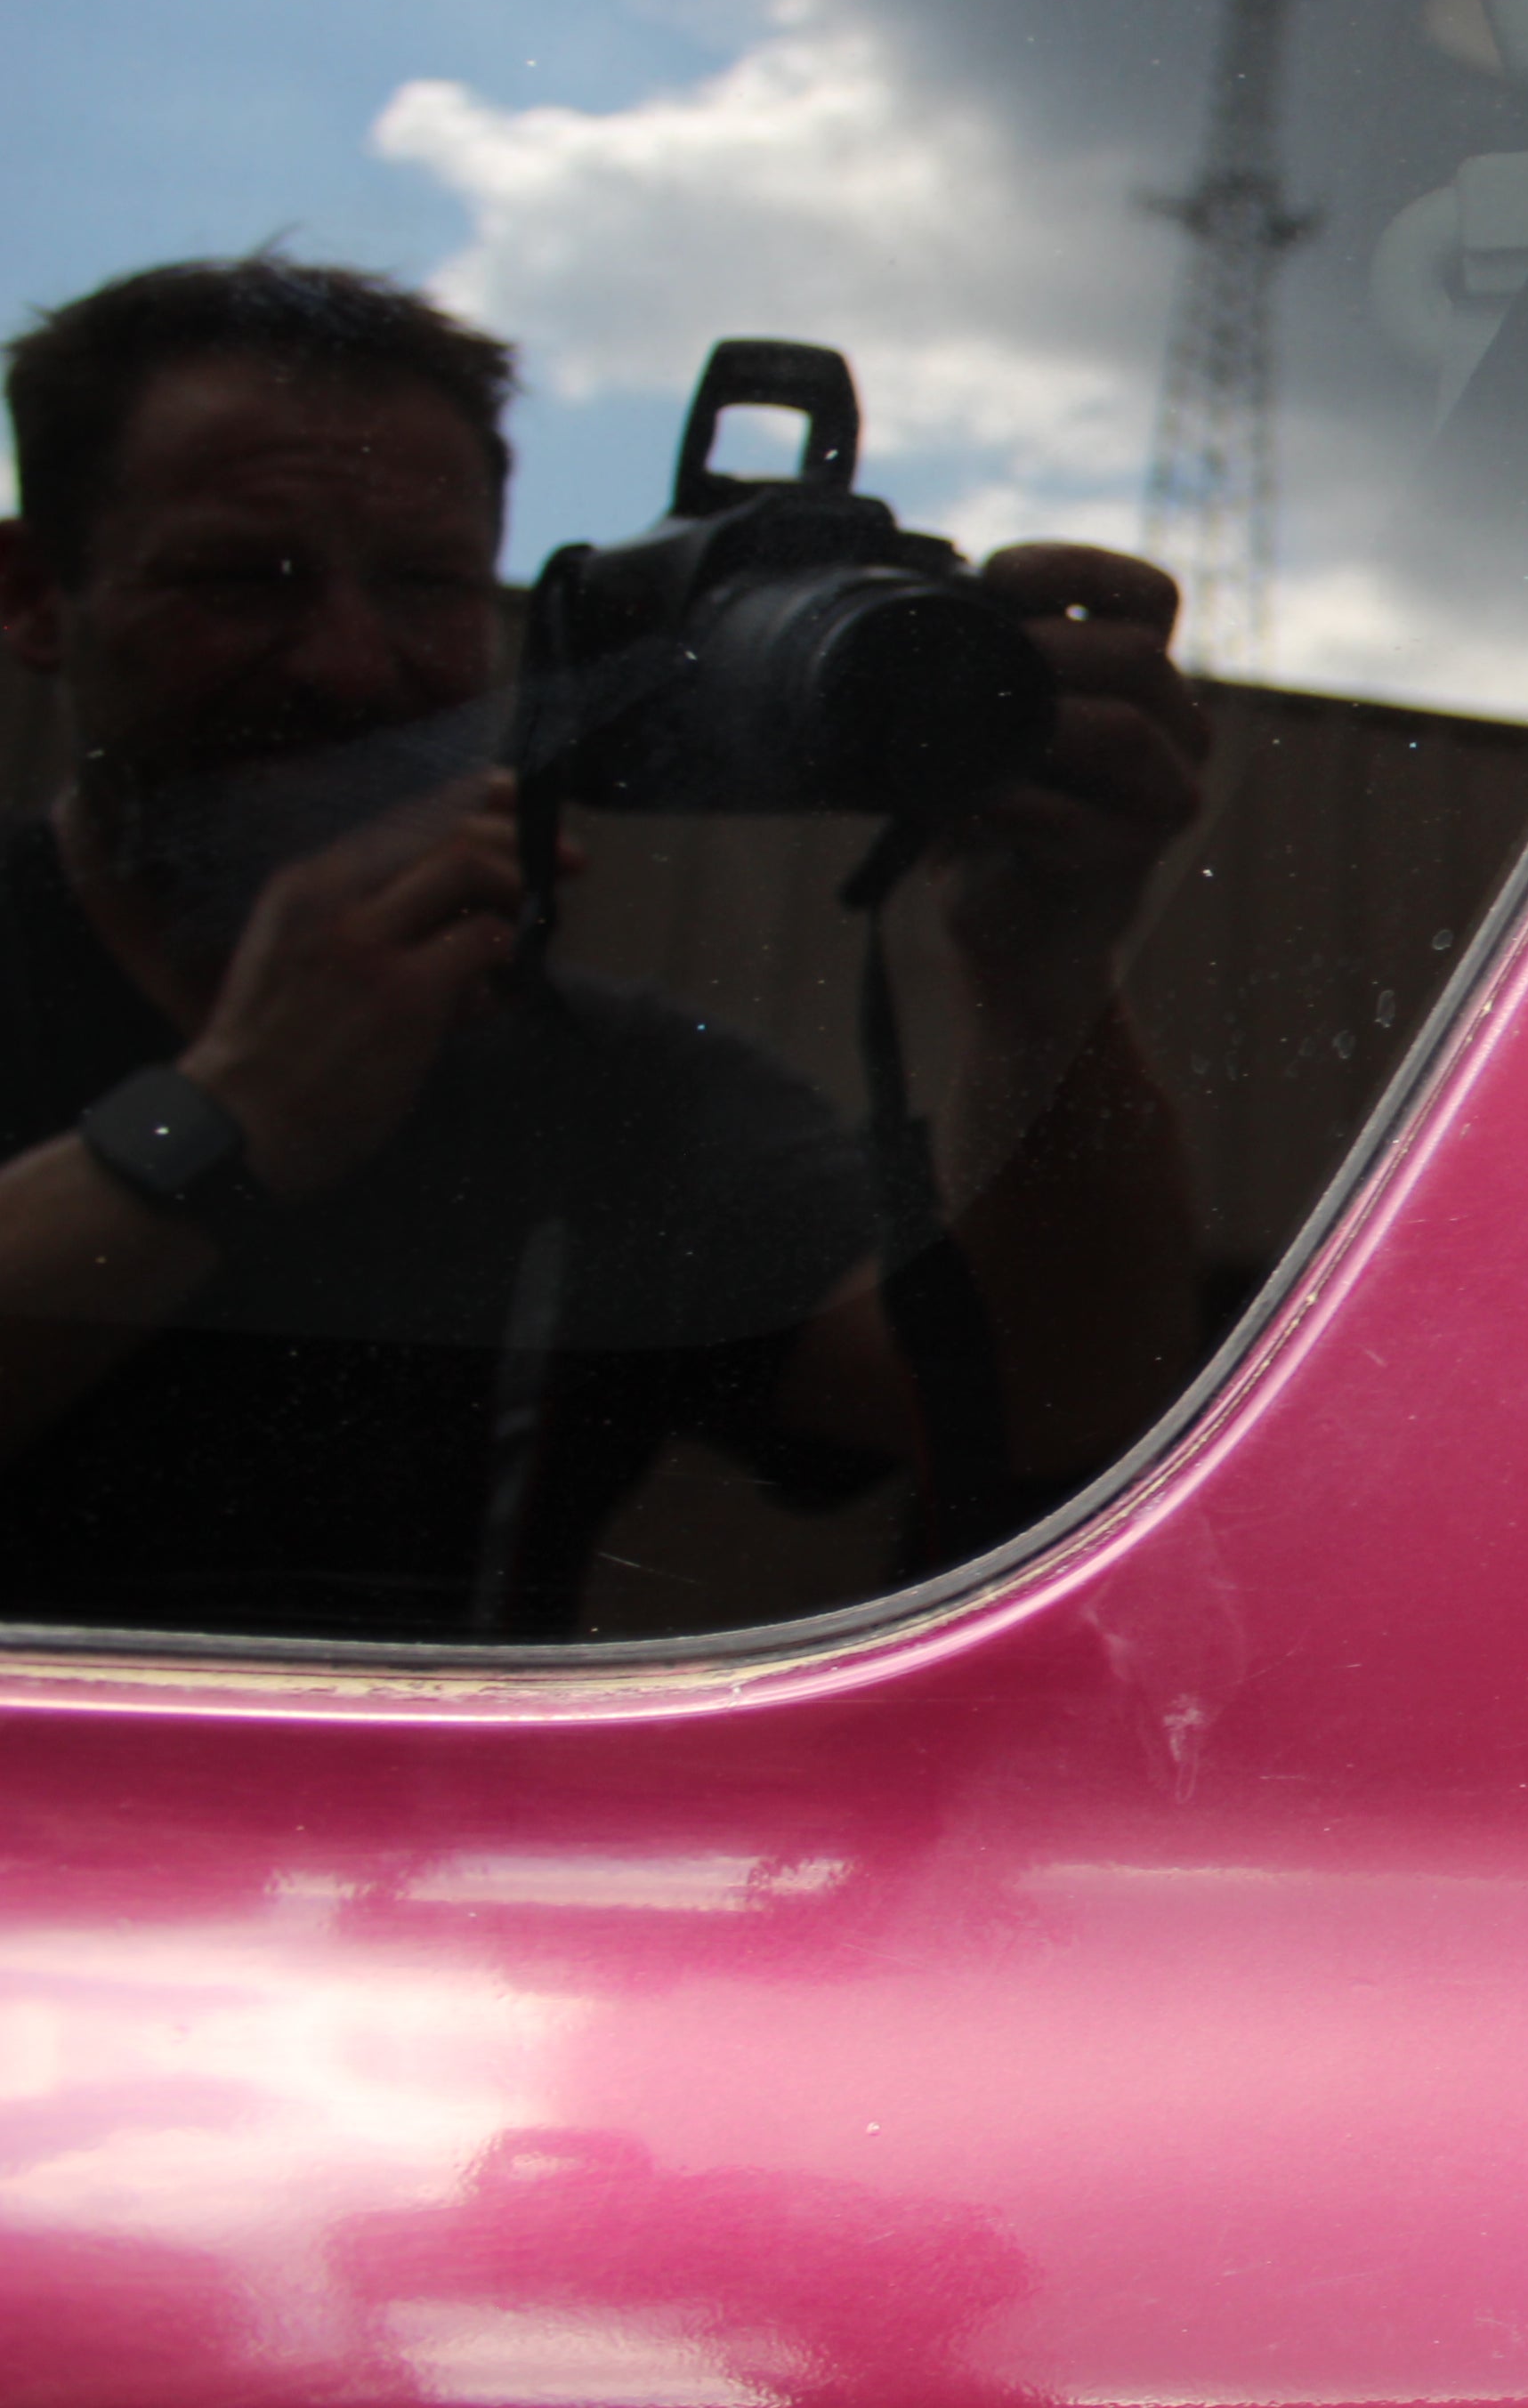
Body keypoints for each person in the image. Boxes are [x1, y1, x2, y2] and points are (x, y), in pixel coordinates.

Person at [0, 258, 1208, 1639]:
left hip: (409, 1789)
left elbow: (1042, 1412)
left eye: (426, 586)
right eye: (243, 580)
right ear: (33, 594)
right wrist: (231, 1119)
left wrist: (1043, 974)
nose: (349, 662)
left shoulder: (603, 1084)